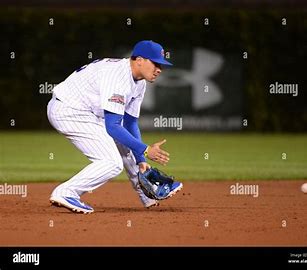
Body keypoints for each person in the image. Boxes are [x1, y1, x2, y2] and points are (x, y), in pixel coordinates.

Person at [47, 40, 183, 214]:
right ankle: (66, 192)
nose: (159, 69)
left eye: (161, 65)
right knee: (111, 162)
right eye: (155, 63)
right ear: (139, 60)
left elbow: (130, 123)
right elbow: (112, 127)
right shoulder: (118, 77)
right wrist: (147, 150)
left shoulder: (139, 82)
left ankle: (147, 195)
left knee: (127, 145)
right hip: (68, 110)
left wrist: (141, 159)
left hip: (87, 112)